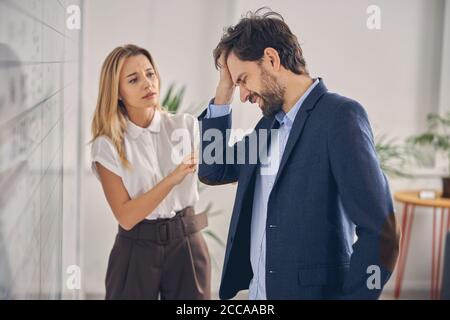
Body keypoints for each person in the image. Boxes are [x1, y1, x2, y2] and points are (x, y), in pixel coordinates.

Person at [198, 8, 400, 299]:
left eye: (243, 79)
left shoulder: (340, 116)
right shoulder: (267, 126)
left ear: (271, 59)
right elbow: (213, 169)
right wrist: (223, 91)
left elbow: (382, 231)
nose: (243, 95)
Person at [90, 44, 210, 300]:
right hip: (135, 248)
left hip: (185, 243)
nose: (147, 84)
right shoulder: (108, 145)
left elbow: (218, 168)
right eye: (134, 79)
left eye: (150, 74)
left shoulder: (185, 126)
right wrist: (172, 179)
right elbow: (126, 216)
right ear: (117, 92)